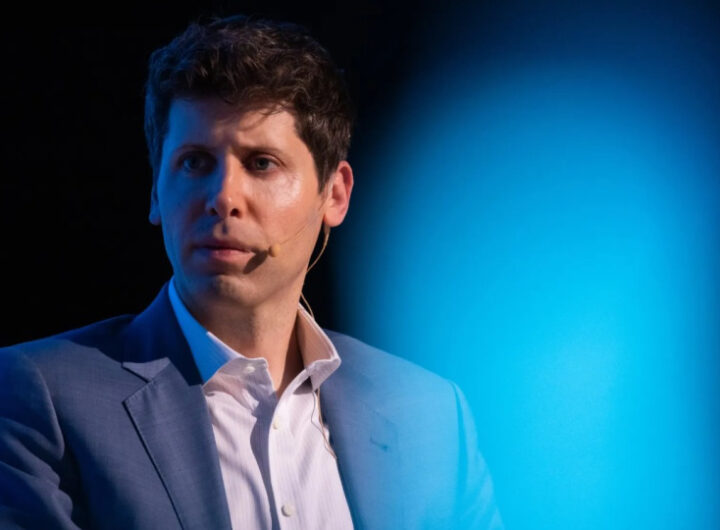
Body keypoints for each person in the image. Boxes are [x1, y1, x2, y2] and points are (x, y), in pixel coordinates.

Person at [0, 15, 503, 530]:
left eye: (261, 163)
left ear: (334, 194)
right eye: (195, 162)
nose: (222, 197)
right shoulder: (41, 398)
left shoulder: (430, 415)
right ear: (155, 192)